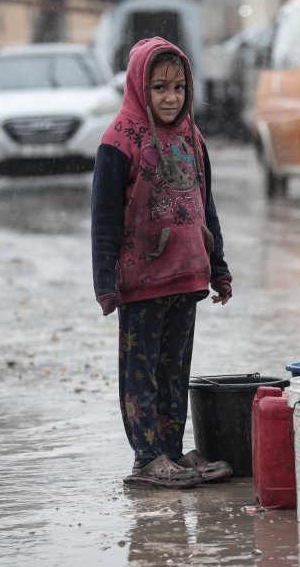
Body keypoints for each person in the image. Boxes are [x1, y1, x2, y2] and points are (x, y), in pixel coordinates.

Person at [91, 37, 234, 489]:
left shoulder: (193, 137)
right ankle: (146, 457)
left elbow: (206, 207)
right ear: (139, 87)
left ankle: (172, 452)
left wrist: (219, 266)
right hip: (142, 280)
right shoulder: (119, 141)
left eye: (178, 87)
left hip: (187, 276)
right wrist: (104, 282)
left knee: (175, 371)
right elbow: (104, 218)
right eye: (158, 88)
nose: (170, 98)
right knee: (142, 372)